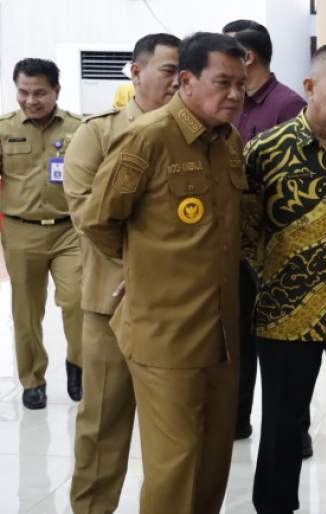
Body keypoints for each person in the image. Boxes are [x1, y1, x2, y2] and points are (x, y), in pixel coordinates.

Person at [81, 32, 247, 513]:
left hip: (221, 332)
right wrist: (139, 267)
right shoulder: (148, 138)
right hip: (165, 334)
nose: (235, 94)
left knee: (213, 461)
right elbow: (98, 220)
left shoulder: (229, 141)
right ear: (187, 81)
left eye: (240, 84)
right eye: (223, 82)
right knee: (175, 467)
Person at [243, 43, 326, 514]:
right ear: (309, 87)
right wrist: (279, 273)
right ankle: (276, 504)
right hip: (285, 316)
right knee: (283, 422)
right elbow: (246, 235)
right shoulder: (264, 152)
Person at [64, 33, 180, 514]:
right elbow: (85, 214)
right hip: (111, 300)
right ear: (136, 72)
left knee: (172, 430)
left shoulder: (191, 136)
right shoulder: (98, 133)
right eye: (168, 70)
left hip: (176, 305)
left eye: (183, 73)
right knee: (102, 422)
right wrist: (141, 267)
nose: (177, 82)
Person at [222, 18, 308, 445]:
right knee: (237, 338)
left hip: (277, 248)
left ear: (248, 56)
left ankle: (295, 429)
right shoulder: (226, 103)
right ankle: (237, 420)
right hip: (234, 244)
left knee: (282, 345)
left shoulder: (287, 105)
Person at [0, 58, 82, 409]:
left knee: (78, 301)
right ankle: (32, 380)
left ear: (56, 91)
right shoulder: (4, 128)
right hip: (21, 231)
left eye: (39, 93)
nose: (30, 100)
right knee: (26, 311)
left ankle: (79, 365)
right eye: (23, 92)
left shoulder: (79, 128)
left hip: (69, 231)